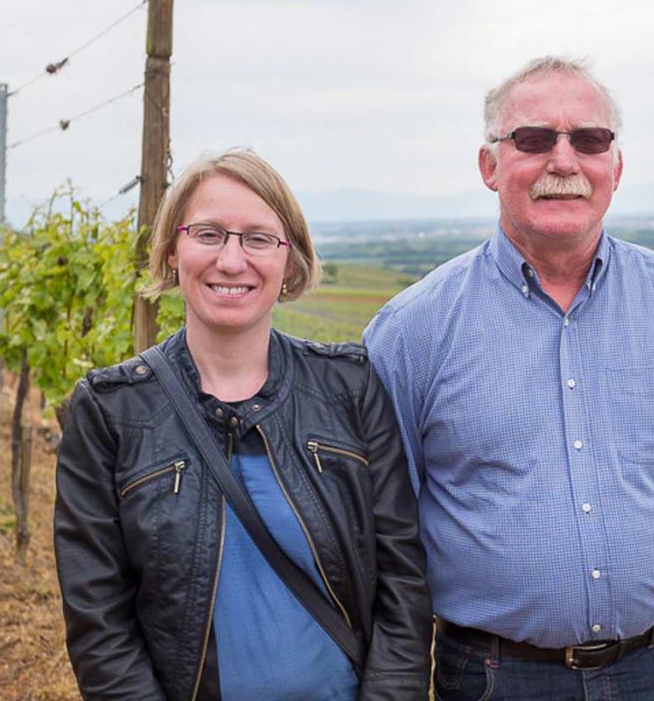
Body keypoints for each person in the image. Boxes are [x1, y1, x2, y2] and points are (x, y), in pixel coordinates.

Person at [363, 57, 654, 700]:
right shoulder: (412, 330)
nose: (563, 160)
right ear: (489, 166)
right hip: (497, 678)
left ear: (616, 167)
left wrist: (647, 544)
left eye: (588, 139)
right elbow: (386, 522)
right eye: (532, 139)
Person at [54, 149, 431, 701]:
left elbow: (403, 584)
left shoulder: (350, 389)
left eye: (258, 238)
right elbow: (99, 622)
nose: (232, 261)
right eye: (208, 234)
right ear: (171, 251)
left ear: (290, 262)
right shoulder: (112, 410)